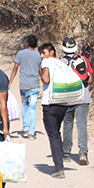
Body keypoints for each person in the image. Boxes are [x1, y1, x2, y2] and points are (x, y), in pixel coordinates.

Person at [60, 37, 94, 166]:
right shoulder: (83, 59)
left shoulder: (60, 62)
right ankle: (83, 153)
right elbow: (89, 79)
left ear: (63, 48)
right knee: (82, 125)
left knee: (67, 125)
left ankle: (67, 153)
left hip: (68, 99)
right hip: (83, 97)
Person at [39, 42, 69, 179]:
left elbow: (45, 79)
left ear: (52, 52)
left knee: (54, 136)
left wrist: (41, 71)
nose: (42, 56)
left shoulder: (47, 63)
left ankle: (59, 168)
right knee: (57, 133)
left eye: (44, 53)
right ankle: (60, 160)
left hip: (50, 103)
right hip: (63, 102)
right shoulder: (62, 63)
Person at [8, 35, 41, 140]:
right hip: (34, 85)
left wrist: (10, 82)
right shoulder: (38, 55)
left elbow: (15, 68)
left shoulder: (20, 54)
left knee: (25, 106)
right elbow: (40, 70)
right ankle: (32, 132)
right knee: (33, 108)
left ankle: (25, 129)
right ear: (36, 45)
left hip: (24, 85)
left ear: (27, 44)